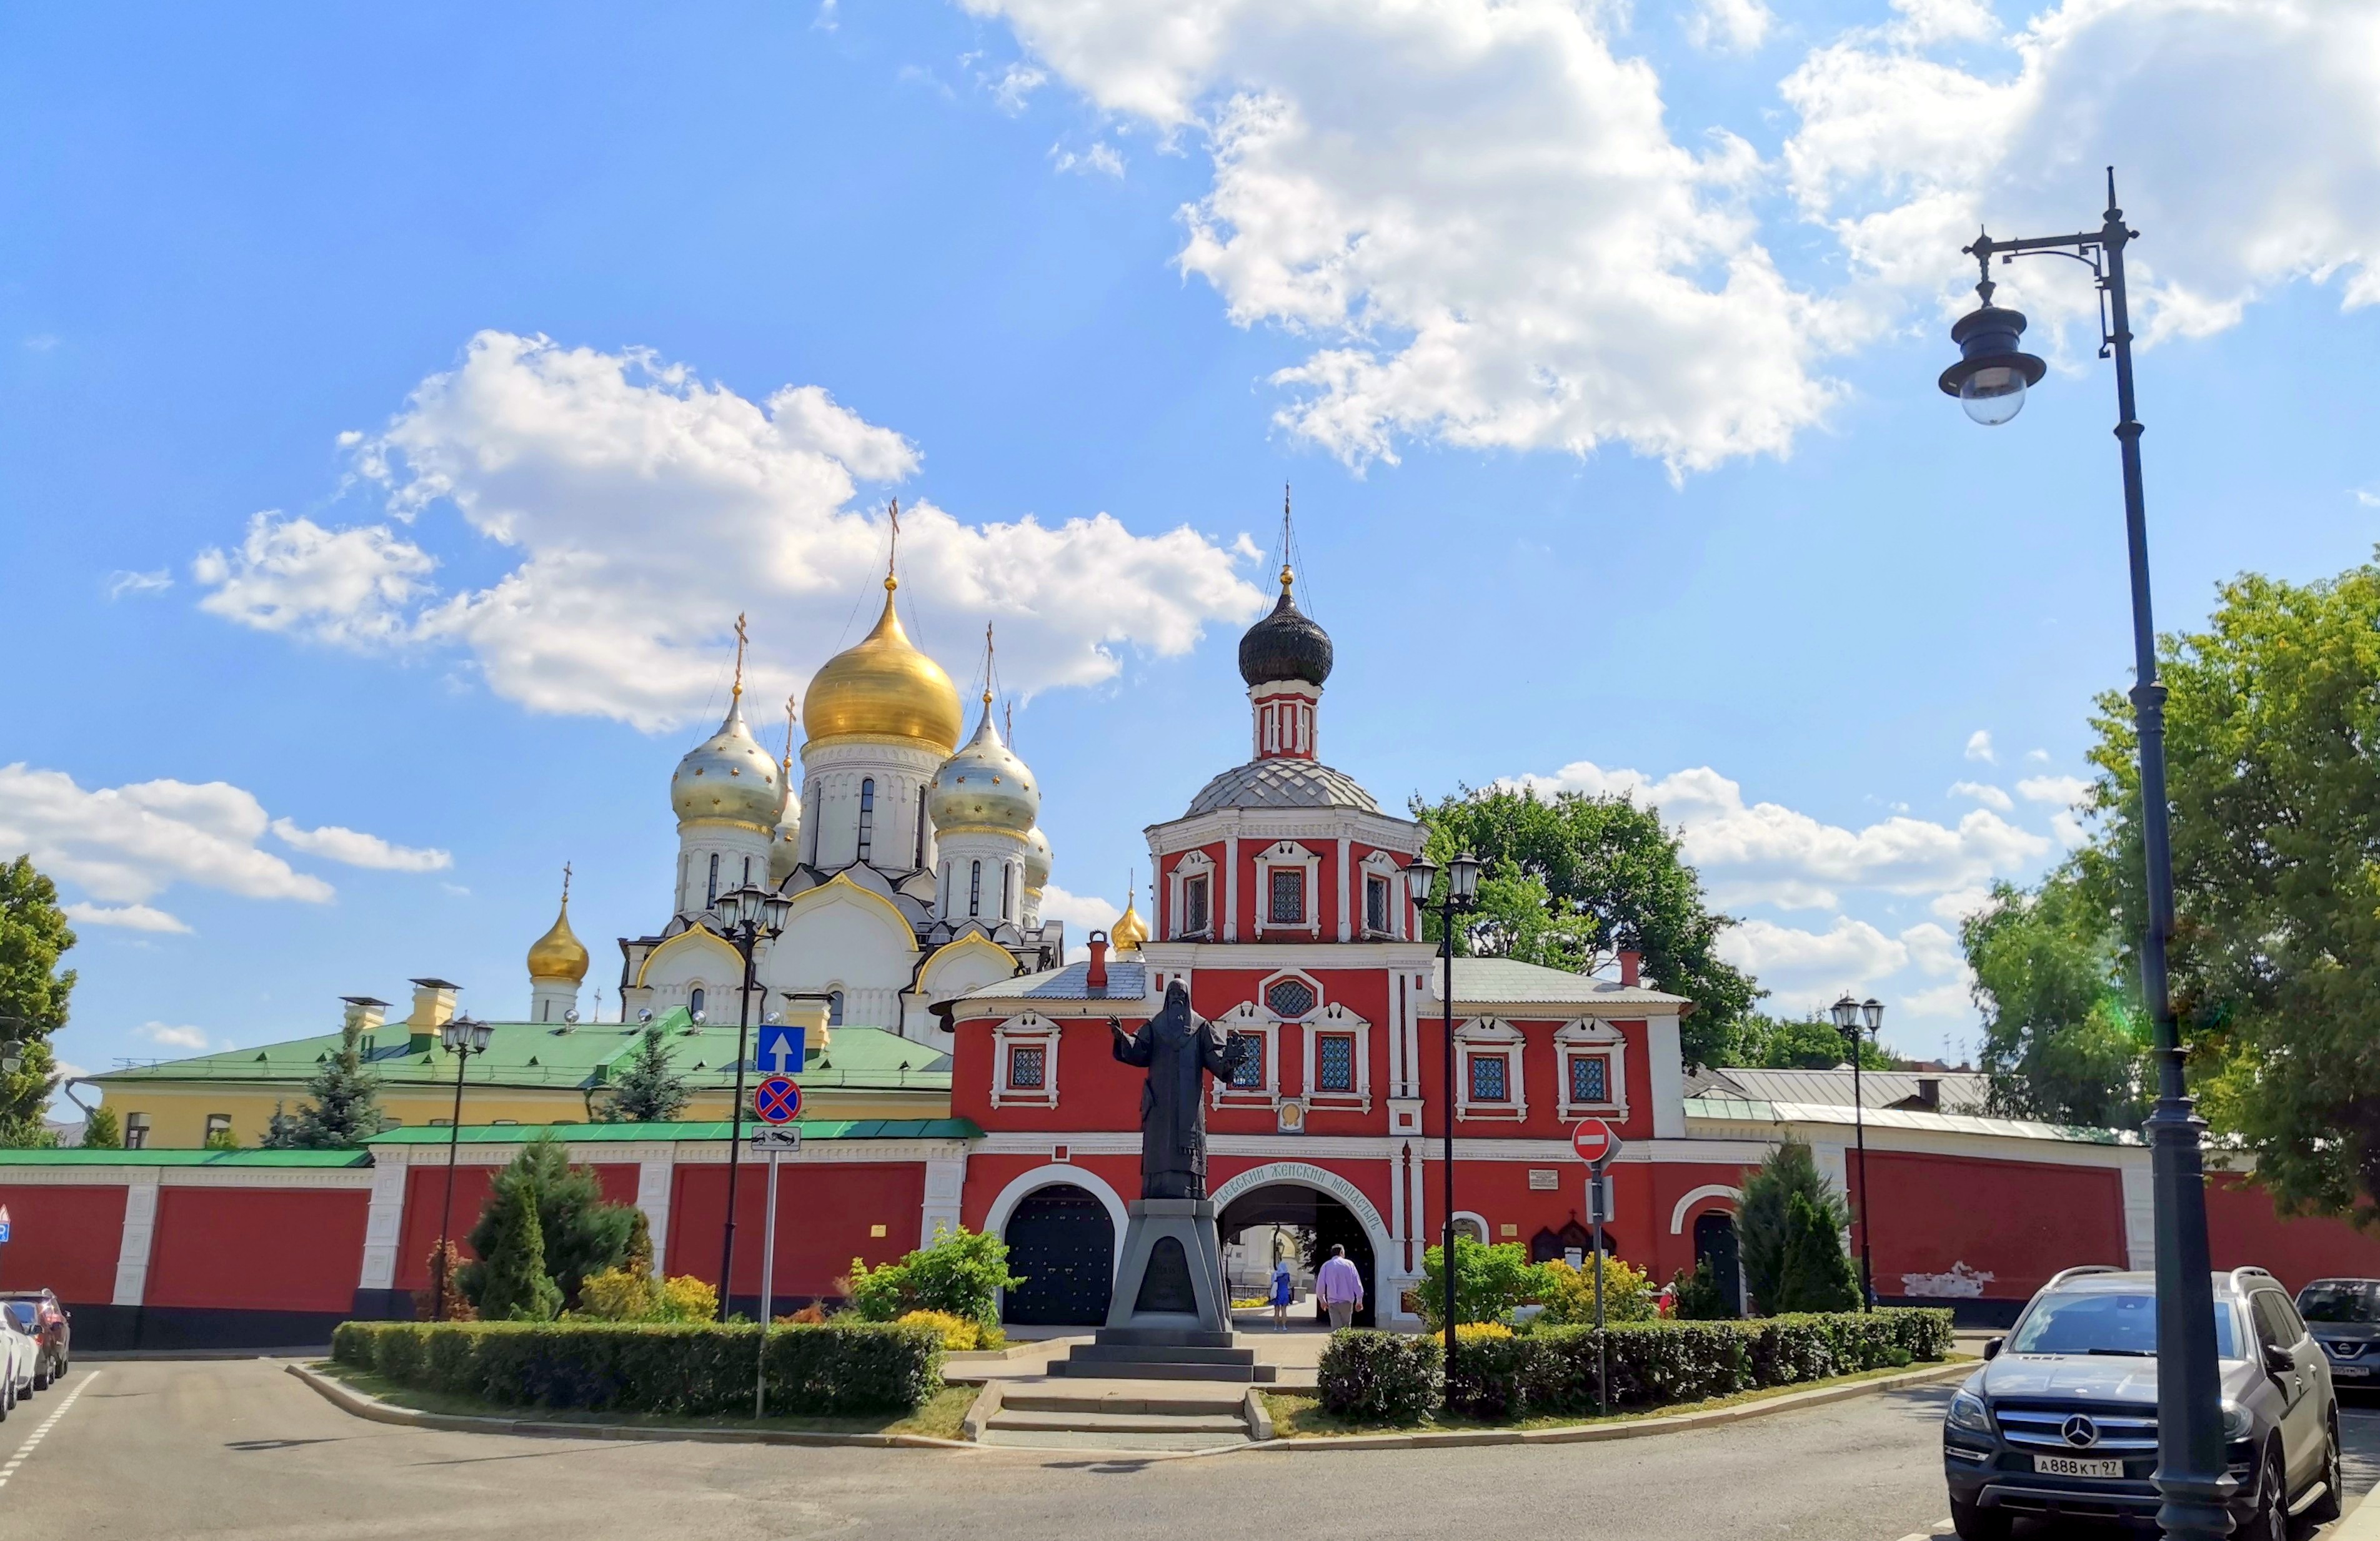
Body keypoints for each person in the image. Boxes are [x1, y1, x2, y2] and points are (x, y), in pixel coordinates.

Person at [1315, 1243, 1363, 1330]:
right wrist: (1359, 1300)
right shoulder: (1350, 1264)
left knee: (1335, 1328)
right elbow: (1357, 1283)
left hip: (1332, 1302)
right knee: (1346, 1327)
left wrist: (1322, 1300)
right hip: (1347, 1302)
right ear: (1341, 1252)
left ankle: (1336, 1344)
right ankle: (1345, 1344)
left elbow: (1320, 1285)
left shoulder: (1326, 1266)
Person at [1270, 1256, 1295, 1330]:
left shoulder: (1276, 1274)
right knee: (1284, 1311)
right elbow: (1289, 1284)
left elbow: (1272, 1284)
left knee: (1276, 1311)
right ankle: (1284, 1327)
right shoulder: (1287, 1275)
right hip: (1285, 1293)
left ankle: (1276, 1327)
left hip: (1277, 1294)